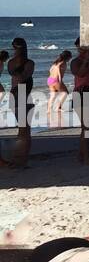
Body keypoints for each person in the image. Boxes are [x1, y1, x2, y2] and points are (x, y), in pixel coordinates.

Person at [7, 38, 36, 168]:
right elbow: (23, 77)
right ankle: (21, 160)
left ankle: (19, 158)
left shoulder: (11, 63)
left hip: (15, 93)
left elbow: (17, 76)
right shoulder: (28, 63)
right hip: (22, 93)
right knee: (25, 131)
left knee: (22, 130)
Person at [47, 49, 72, 128]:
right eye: (70, 57)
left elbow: (50, 69)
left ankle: (48, 110)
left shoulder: (55, 63)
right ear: (67, 57)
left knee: (53, 95)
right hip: (56, 80)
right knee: (65, 93)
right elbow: (58, 68)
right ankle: (58, 107)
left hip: (50, 79)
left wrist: (52, 76)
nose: (70, 59)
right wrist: (60, 79)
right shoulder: (63, 63)